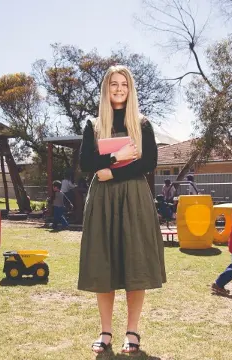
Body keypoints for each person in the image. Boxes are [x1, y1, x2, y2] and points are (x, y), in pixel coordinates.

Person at [78, 65, 165, 354]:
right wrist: (116, 156)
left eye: (124, 84)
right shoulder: (92, 124)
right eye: (113, 84)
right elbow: (87, 165)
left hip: (133, 197)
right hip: (102, 198)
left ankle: (132, 332)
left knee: (135, 262)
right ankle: (105, 332)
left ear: (130, 89)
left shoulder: (142, 123)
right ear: (106, 89)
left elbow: (148, 163)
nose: (118, 89)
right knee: (104, 263)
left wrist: (112, 171)